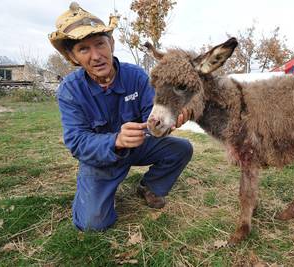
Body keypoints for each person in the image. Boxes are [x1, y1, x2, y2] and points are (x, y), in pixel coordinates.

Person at [48, 2, 193, 231]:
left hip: (138, 147)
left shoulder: (135, 75)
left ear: (112, 43)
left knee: (181, 148)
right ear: (72, 57)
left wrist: (167, 122)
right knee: (92, 224)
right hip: (101, 158)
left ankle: (150, 187)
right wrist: (115, 141)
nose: (96, 56)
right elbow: (76, 141)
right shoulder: (70, 90)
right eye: (84, 49)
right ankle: (97, 190)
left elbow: (150, 116)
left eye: (100, 44)